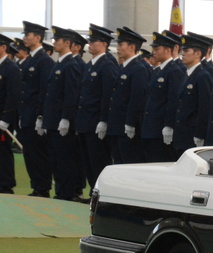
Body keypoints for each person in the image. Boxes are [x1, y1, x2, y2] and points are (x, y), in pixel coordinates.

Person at [42, 27, 85, 200]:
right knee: (55, 158)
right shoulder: (59, 63)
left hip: (61, 120)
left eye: (57, 40)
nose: (54, 43)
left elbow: (71, 95)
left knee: (65, 158)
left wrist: (66, 118)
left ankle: (68, 192)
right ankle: (60, 190)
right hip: (52, 119)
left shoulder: (71, 65)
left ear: (67, 43)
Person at [76, 25, 119, 189]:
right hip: (85, 121)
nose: (90, 44)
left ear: (104, 44)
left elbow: (108, 95)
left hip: (96, 122)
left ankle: (102, 193)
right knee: (88, 161)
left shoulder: (107, 64)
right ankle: (93, 192)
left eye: (94, 41)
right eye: (90, 41)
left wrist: (103, 120)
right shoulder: (90, 65)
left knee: (98, 160)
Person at [18, 21, 54, 197]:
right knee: (29, 153)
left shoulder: (44, 60)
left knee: (38, 153)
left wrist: (41, 116)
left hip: (35, 115)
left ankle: (43, 187)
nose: (25, 38)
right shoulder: (30, 59)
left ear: (38, 38)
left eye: (28, 35)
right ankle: (36, 185)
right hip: (25, 114)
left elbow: (44, 90)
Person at [107, 27, 150, 164]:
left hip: (128, 128)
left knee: (129, 161)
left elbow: (137, 98)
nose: (117, 48)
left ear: (132, 47)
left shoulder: (138, 68)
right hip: (117, 125)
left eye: (121, 45)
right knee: (118, 163)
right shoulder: (123, 67)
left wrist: (130, 123)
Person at [141, 32, 185, 162]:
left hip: (161, 129)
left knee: (162, 161)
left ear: (168, 50)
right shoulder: (158, 70)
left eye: (157, 49)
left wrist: (169, 125)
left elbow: (173, 101)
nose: (153, 52)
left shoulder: (174, 71)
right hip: (152, 127)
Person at [172, 32, 213, 155]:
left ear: (197, 54)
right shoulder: (187, 74)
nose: (182, 53)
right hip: (182, 133)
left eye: (186, 50)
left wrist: (200, 134)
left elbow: (204, 108)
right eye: (182, 50)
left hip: (192, 135)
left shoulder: (202, 76)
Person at [0, 34, 22, 194]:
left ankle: (6, 184)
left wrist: (6, 119)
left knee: (3, 150)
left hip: (3, 118)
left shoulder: (11, 68)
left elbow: (13, 96)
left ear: (3, 48)